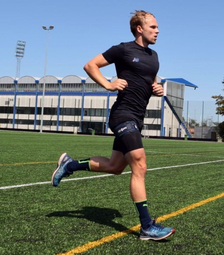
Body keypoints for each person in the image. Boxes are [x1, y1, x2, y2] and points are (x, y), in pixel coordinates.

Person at [51, 10, 175, 241]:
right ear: (140, 28)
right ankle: (146, 226)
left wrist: (157, 89)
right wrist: (108, 84)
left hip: (137, 117)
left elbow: (151, 81)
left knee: (115, 166)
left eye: (157, 28)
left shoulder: (154, 56)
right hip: (122, 115)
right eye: (153, 27)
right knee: (140, 165)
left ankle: (69, 166)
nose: (158, 31)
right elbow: (90, 65)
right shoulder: (123, 49)